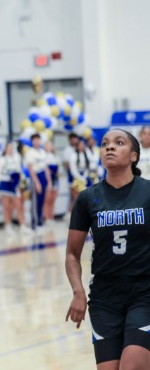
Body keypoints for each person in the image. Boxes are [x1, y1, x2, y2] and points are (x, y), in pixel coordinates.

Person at [66, 129, 150, 369]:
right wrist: (78, 292)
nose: (109, 147)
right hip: (104, 298)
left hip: (144, 293)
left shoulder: (147, 192)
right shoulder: (87, 198)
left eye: (118, 143)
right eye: (104, 144)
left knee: (132, 365)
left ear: (133, 156)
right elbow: (72, 254)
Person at [0, 142, 29, 235]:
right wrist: (8, 178)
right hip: (5, 185)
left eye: (11, 148)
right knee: (7, 207)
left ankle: (22, 225)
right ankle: (7, 225)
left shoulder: (16, 158)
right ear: (5, 149)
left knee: (19, 205)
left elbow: (19, 170)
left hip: (15, 185)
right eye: (8, 148)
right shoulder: (2, 160)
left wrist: (23, 178)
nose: (10, 150)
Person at [25, 133, 51, 232]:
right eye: (35, 140)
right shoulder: (30, 153)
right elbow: (30, 169)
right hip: (36, 177)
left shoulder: (42, 152)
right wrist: (37, 183)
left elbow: (46, 168)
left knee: (41, 201)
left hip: (43, 176)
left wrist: (49, 181)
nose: (37, 141)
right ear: (32, 141)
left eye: (38, 139)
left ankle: (40, 222)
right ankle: (34, 224)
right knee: (35, 202)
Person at [44, 140, 61, 224]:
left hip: (55, 179)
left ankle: (51, 216)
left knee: (53, 199)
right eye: (47, 145)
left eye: (50, 145)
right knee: (47, 199)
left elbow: (59, 168)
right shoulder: (43, 156)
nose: (49, 147)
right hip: (47, 179)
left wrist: (57, 172)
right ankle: (46, 217)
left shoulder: (56, 157)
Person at [63, 132, 80, 214]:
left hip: (80, 174)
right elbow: (66, 164)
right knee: (73, 195)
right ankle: (70, 213)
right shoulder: (67, 150)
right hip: (72, 175)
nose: (75, 140)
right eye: (73, 139)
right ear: (70, 140)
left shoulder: (79, 149)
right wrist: (74, 172)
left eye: (76, 138)